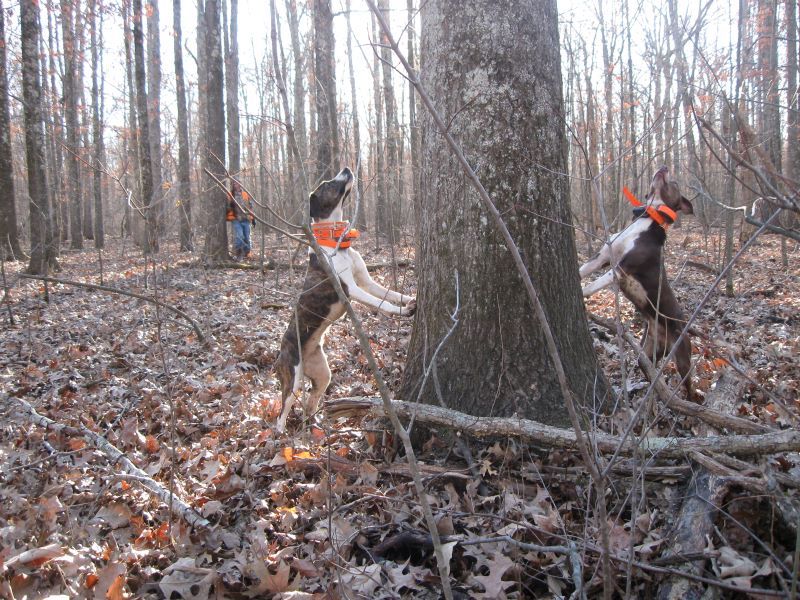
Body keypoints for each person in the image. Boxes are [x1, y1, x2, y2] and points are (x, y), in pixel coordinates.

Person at [229, 181, 255, 260]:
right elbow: (228, 207)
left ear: (240, 184)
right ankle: (238, 254)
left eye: (237, 183)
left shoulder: (245, 194)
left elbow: (250, 206)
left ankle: (247, 254)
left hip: (246, 219)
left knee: (247, 238)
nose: (236, 185)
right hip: (236, 219)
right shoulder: (230, 195)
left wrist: (253, 218)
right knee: (240, 236)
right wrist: (230, 217)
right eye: (234, 184)